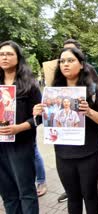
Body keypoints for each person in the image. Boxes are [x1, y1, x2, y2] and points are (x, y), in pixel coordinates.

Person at [33, 47, 98, 214]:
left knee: (89, 194)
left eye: (70, 60)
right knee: (73, 196)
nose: (65, 64)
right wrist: (38, 113)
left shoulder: (93, 90)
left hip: (89, 151)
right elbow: (43, 121)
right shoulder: (53, 92)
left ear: (81, 64)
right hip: (63, 153)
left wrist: (89, 112)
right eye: (62, 61)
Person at [0, 40, 41, 213]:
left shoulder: (30, 84)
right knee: (8, 194)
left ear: (18, 58)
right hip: (0, 146)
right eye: (2, 54)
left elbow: (39, 118)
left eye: (9, 54)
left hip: (21, 145)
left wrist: (19, 127)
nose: (4, 57)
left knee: (26, 192)